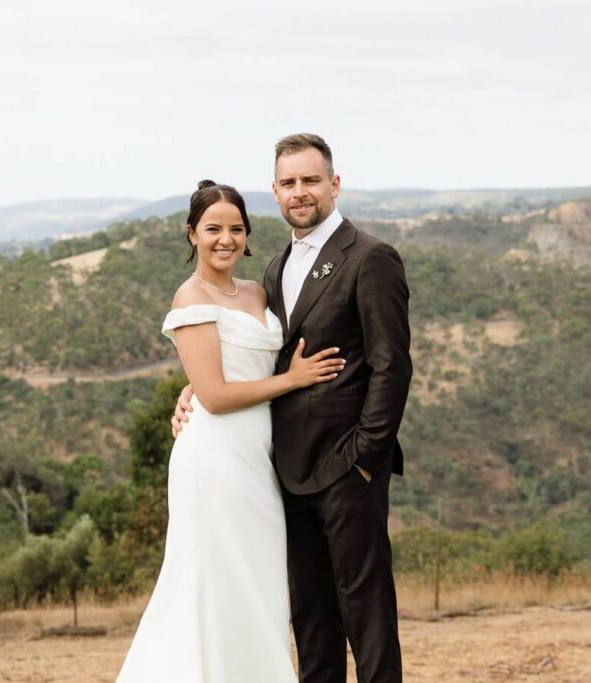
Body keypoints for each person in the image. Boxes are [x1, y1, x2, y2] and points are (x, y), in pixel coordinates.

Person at [173, 134, 412, 682]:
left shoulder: (371, 257)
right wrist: (195, 389)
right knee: (311, 617)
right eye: (288, 183)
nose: (300, 192)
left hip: (349, 467)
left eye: (310, 180)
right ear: (276, 191)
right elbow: (257, 353)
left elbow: (391, 366)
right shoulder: (276, 269)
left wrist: (365, 456)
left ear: (334, 184)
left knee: (367, 612)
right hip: (285, 469)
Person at [117, 180, 346, 683]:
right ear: (192, 234)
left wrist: (196, 385)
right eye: (213, 229)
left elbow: (241, 367)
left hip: (260, 459)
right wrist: (293, 380)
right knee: (213, 579)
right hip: (214, 458)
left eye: (236, 229)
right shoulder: (190, 296)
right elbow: (217, 396)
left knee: (259, 580)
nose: (226, 239)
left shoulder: (258, 292)